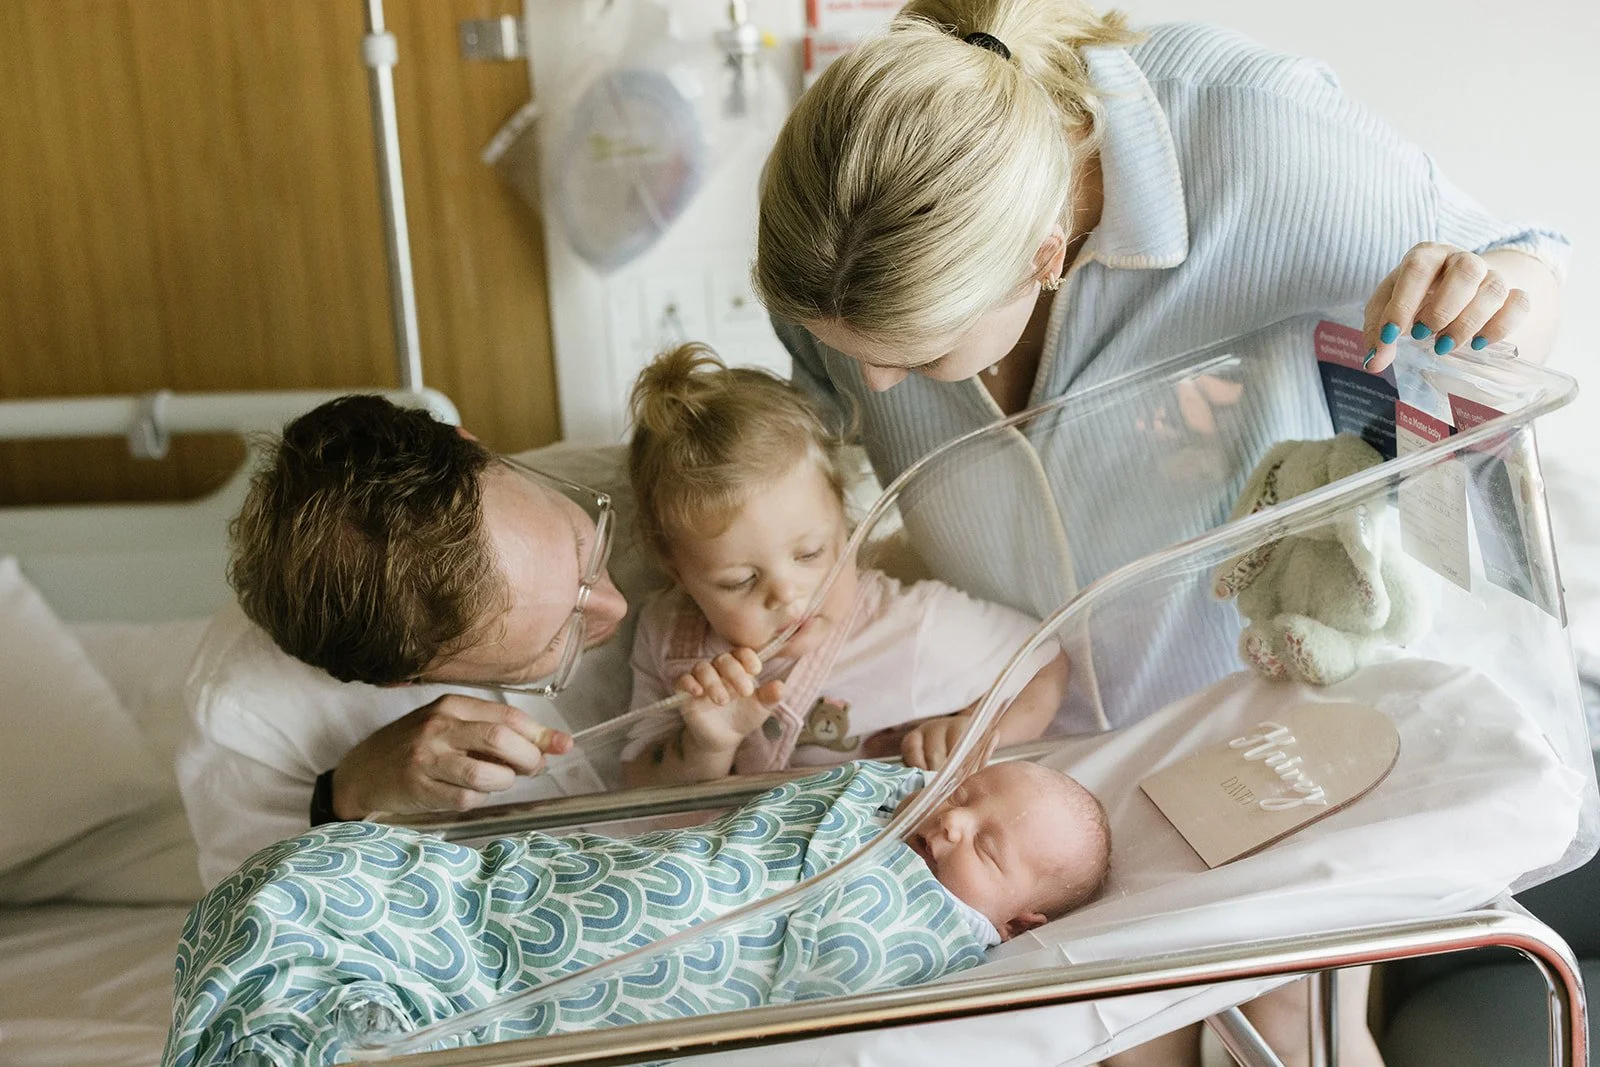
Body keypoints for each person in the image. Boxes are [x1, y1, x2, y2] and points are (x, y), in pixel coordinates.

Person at [753, 3, 1565, 1062]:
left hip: (1267, 702)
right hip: (1034, 739)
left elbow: (1524, 260)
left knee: (1289, 1025)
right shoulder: (841, 219)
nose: (877, 384)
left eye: (917, 353)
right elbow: (828, 449)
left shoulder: (1256, 140)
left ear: (1047, 253)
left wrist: (1505, 296)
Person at [164, 758, 1111, 1067]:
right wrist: (925, 787)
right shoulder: (893, 807)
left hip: (534, 988)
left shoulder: (930, 938)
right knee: (307, 883)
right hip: (518, 899)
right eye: (966, 798)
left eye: (986, 849)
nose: (950, 830)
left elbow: (831, 965)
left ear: (1016, 925)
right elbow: (838, 790)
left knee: (329, 992)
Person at [176, 395, 639, 888]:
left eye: (579, 543)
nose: (618, 607)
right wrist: (343, 800)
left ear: (472, 445)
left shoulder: (656, 488)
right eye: (553, 643)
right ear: (401, 681)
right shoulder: (243, 710)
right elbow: (254, 927)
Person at [616, 344, 1070, 786]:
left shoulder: (910, 626)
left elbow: (1046, 662)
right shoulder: (668, 635)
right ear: (679, 573)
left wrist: (974, 732)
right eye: (740, 581)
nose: (787, 594)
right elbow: (636, 788)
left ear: (845, 519)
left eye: (810, 554)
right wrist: (706, 748)